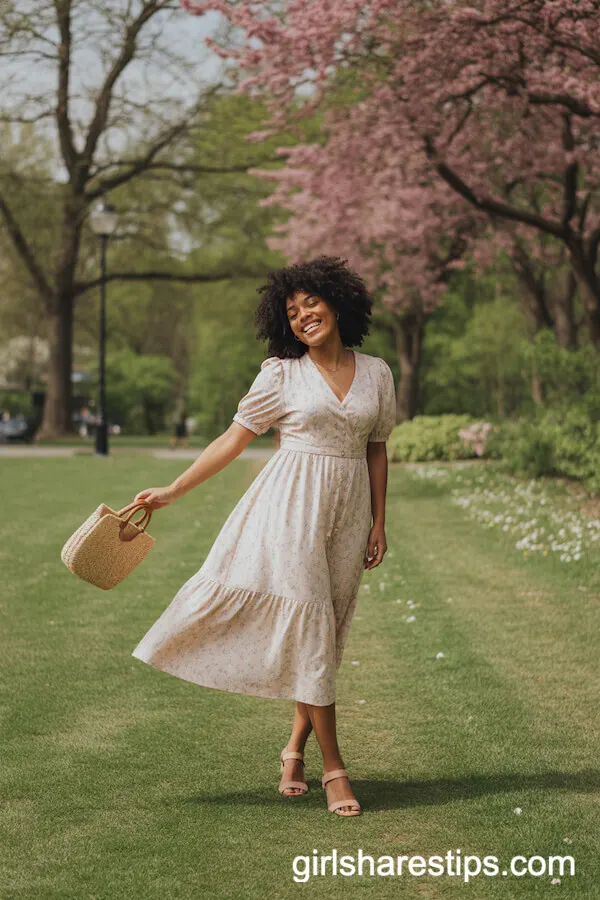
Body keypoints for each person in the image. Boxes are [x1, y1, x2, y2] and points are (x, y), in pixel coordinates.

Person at [130, 255, 396, 817]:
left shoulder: (377, 373)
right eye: (292, 312)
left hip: (347, 518)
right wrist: (173, 490)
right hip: (290, 511)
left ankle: (293, 750)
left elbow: (377, 448)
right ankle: (335, 771)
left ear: (338, 302)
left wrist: (378, 520)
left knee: (322, 634)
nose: (303, 317)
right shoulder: (280, 373)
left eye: (311, 304)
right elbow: (232, 440)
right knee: (313, 628)